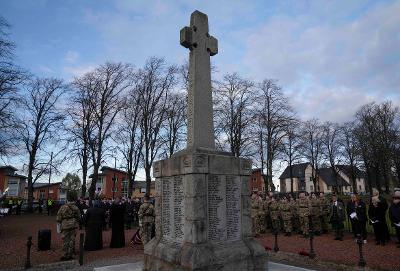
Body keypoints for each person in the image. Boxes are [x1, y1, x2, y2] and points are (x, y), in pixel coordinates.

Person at [56, 191, 81, 261]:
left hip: (65, 225)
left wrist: (59, 224)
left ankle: (64, 254)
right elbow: (79, 217)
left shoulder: (63, 207)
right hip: (73, 225)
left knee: (65, 241)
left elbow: (58, 217)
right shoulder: (76, 207)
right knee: (72, 240)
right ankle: (70, 254)